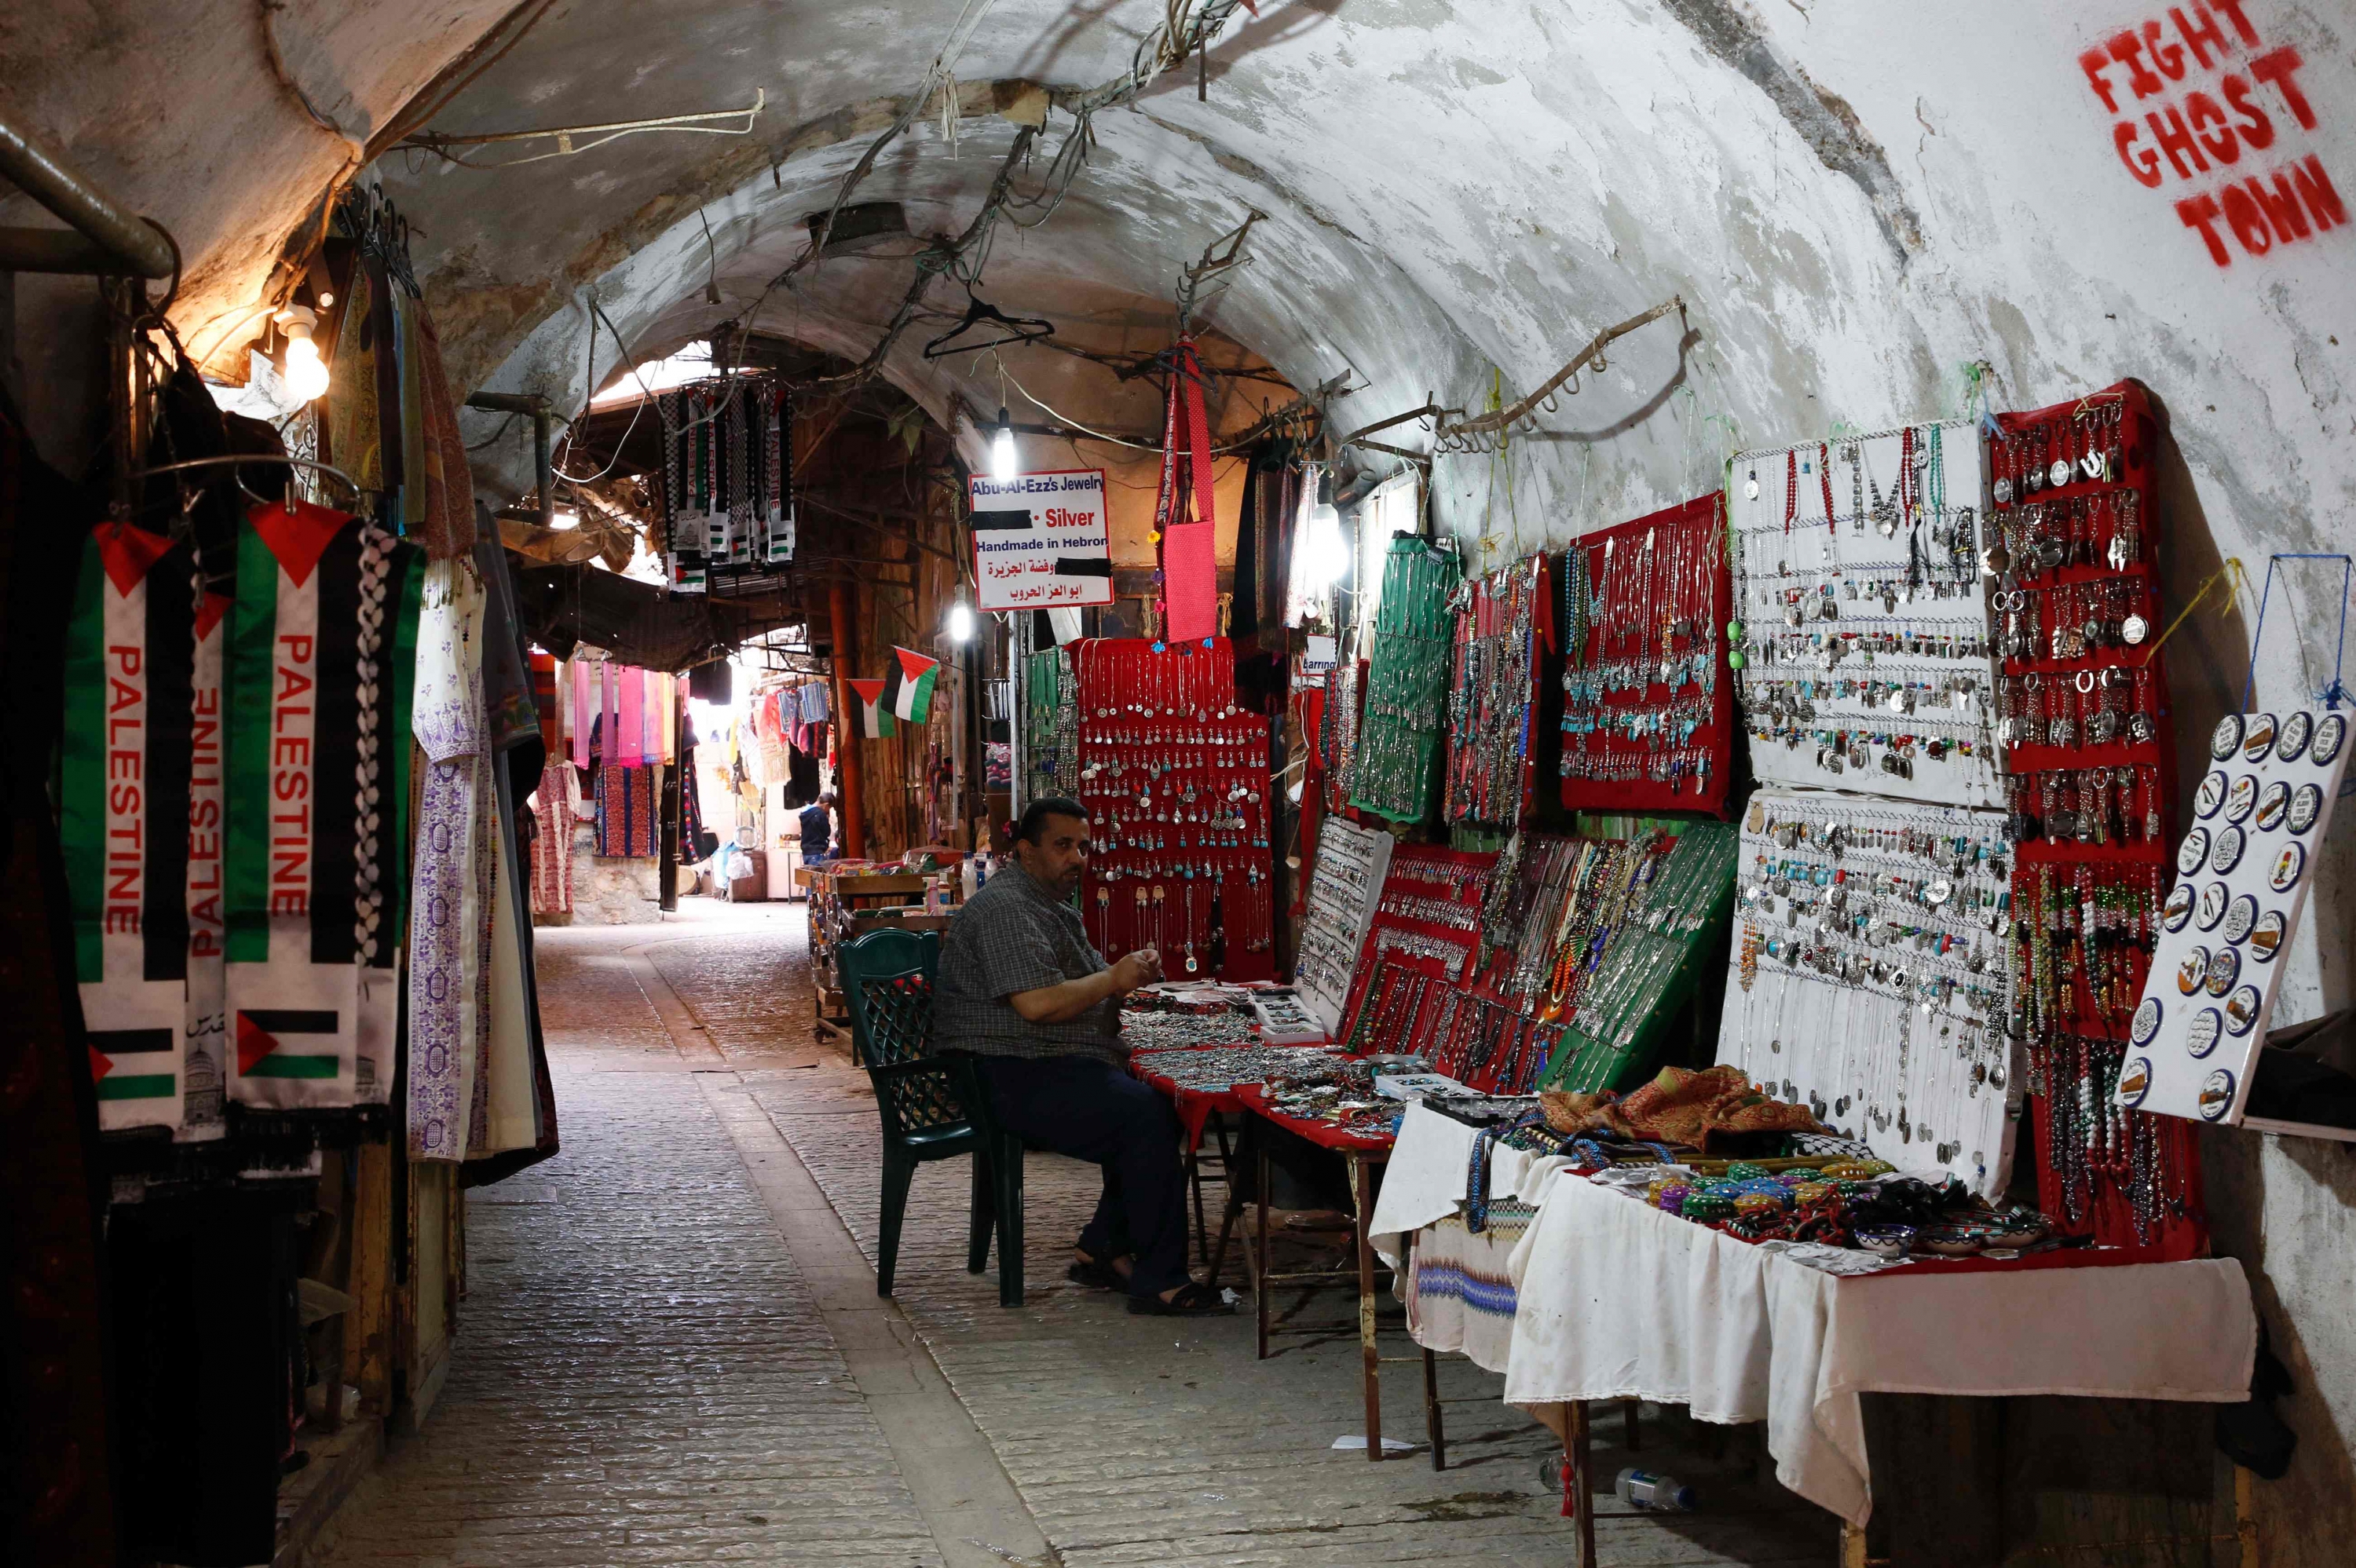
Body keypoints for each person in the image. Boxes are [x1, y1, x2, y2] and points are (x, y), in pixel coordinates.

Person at [935, 796, 1230, 1316]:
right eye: (1063, 845)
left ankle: (1103, 1246)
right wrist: (1113, 977)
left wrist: (1129, 977)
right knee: (1141, 1114)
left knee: (1155, 1104)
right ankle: (1159, 1279)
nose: (1077, 858)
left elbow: (1092, 985)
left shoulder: (1053, 909)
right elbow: (1038, 1004)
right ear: (1026, 852)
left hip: (1043, 1061)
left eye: (1084, 846)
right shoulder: (1006, 909)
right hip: (1004, 1073)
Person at [799, 789, 836, 867]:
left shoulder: (805, 813)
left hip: (806, 851)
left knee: (810, 875)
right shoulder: (820, 814)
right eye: (829, 808)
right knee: (818, 876)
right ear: (826, 805)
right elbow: (826, 832)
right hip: (817, 851)